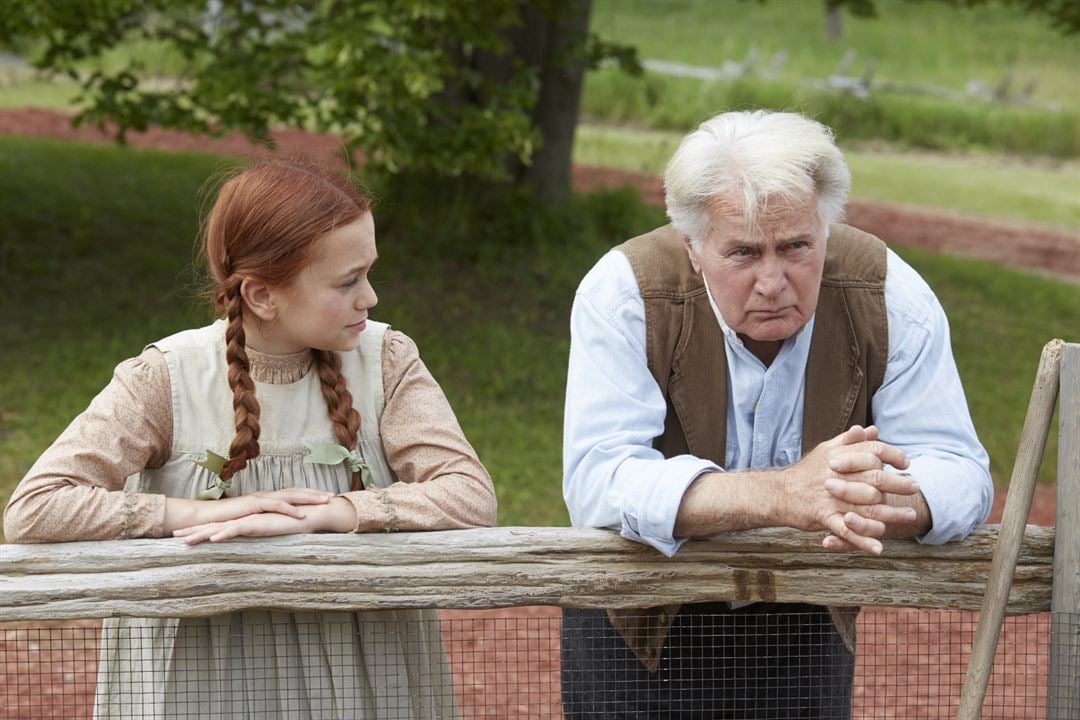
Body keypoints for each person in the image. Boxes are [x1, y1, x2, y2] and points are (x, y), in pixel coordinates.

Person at [3, 158, 497, 719]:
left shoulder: (387, 361)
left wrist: (331, 513)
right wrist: (198, 516)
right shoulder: (165, 378)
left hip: (366, 682)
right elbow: (35, 509)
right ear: (263, 295)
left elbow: (469, 494)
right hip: (201, 686)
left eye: (369, 271)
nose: (371, 297)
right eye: (348, 281)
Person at [560, 110, 992, 718]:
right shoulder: (624, 292)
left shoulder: (890, 294)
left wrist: (867, 498)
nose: (773, 281)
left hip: (807, 615)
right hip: (636, 616)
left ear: (826, 228)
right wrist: (785, 495)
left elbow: (961, 472)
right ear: (693, 246)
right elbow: (600, 483)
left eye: (796, 247)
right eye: (743, 253)